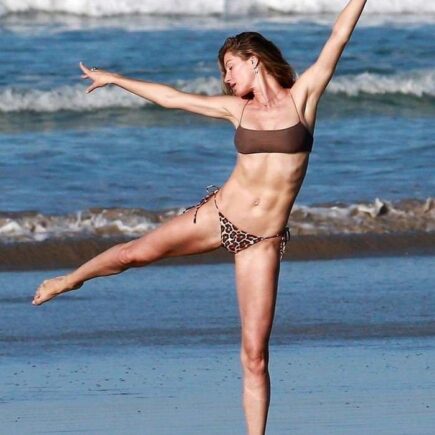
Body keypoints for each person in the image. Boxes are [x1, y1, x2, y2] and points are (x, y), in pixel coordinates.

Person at [32, 1, 367, 433]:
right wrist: (115, 79)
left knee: (254, 354)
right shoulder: (237, 110)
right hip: (218, 215)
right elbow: (172, 99)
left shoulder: (304, 97)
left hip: (261, 241)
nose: (226, 79)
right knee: (135, 254)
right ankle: (70, 279)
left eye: (230, 68)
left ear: (253, 61)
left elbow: (338, 37)